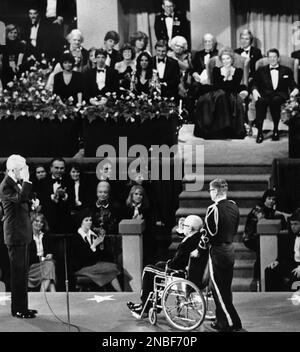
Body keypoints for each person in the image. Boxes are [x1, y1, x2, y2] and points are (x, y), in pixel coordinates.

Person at [127, 215, 203, 318]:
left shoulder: (187, 243)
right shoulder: (199, 239)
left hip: (180, 274)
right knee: (158, 265)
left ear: (190, 228)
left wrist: (168, 264)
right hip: (191, 273)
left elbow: (175, 264)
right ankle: (151, 304)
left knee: (148, 269)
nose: (182, 227)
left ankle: (144, 306)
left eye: (184, 225)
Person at [192, 178, 242, 332]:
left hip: (218, 252)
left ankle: (232, 322)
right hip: (230, 249)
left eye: (210, 191)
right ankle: (221, 322)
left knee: (218, 291)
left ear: (214, 191)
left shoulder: (213, 209)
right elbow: (234, 228)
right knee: (225, 288)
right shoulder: (234, 206)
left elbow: (208, 235)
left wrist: (199, 250)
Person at [0, 154, 38, 318]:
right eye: (23, 169)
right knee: (17, 274)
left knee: (22, 273)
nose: (25, 171)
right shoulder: (5, 185)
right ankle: (18, 309)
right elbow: (21, 198)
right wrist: (28, 180)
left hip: (22, 233)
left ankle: (23, 306)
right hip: (15, 235)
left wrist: (33, 203)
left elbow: (23, 201)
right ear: (14, 170)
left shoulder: (14, 183)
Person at [193, 47, 247, 139]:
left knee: (224, 96)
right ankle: (217, 129)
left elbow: (234, 87)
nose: (226, 61)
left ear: (232, 59)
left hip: (231, 94)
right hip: (217, 93)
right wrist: (226, 77)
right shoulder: (216, 70)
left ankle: (226, 129)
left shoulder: (238, 71)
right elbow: (217, 85)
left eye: (228, 58)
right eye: (223, 59)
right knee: (216, 96)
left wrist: (228, 78)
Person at [252, 48, 299, 143]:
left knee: (275, 101)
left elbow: (293, 85)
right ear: (267, 58)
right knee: (260, 102)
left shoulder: (286, 70)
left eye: (274, 57)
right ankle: (260, 132)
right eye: (270, 57)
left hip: (280, 95)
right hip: (265, 94)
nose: (272, 59)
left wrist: (295, 91)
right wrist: (254, 91)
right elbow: (254, 84)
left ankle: (276, 130)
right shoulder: (261, 70)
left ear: (278, 58)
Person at [243, 189, 288, 287]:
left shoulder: (268, 208)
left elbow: (275, 212)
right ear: (265, 199)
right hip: (250, 238)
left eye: (273, 199)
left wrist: (286, 215)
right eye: (269, 199)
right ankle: (256, 279)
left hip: (260, 235)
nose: (272, 201)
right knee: (262, 252)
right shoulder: (259, 209)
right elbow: (262, 221)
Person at [71, 209, 122, 291]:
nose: (89, 222)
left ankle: (121, 294)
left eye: (90, 220)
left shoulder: (93, 235)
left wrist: (101, 244)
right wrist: (94, 245)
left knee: (113, 270)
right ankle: (121, 294)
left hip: (93, 265)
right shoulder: (76, 237)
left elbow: (98, 256)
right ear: (81, 222)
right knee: (112, 269)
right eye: (86, 220)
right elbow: (83, 259)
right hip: (81, 267)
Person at [265, 208, 300, 291]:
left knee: (293, 277)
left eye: (296, 224)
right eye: (291, 224)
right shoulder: (290, 237)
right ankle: (272, 298)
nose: (293, 227)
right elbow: (284, 253)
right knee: (270, 270)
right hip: (292, 264)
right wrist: (277, 261)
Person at [28, 213, 56, 292]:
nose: (39, 224)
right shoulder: (27, 237)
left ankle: (45, 295)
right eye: (36, 221)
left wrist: (50, 254)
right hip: (32, 268)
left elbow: (51, 250)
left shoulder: (46, 236)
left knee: (49, 268)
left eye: (41, 222)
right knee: (50, 266)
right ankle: (43, 296)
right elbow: (29, 257)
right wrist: (43, 259)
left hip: (45, 266)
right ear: (32, 222)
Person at [191, 33, 218, 99]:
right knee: (195, 87)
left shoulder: (218, 54)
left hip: (213, 80)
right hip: (199, 80)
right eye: (205, 41)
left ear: (213, 43)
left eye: (209, 41)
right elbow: (192, 68)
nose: (207, 43)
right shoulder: (198, 54)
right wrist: (194, 73)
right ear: (203, 43)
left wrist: (209, 79)